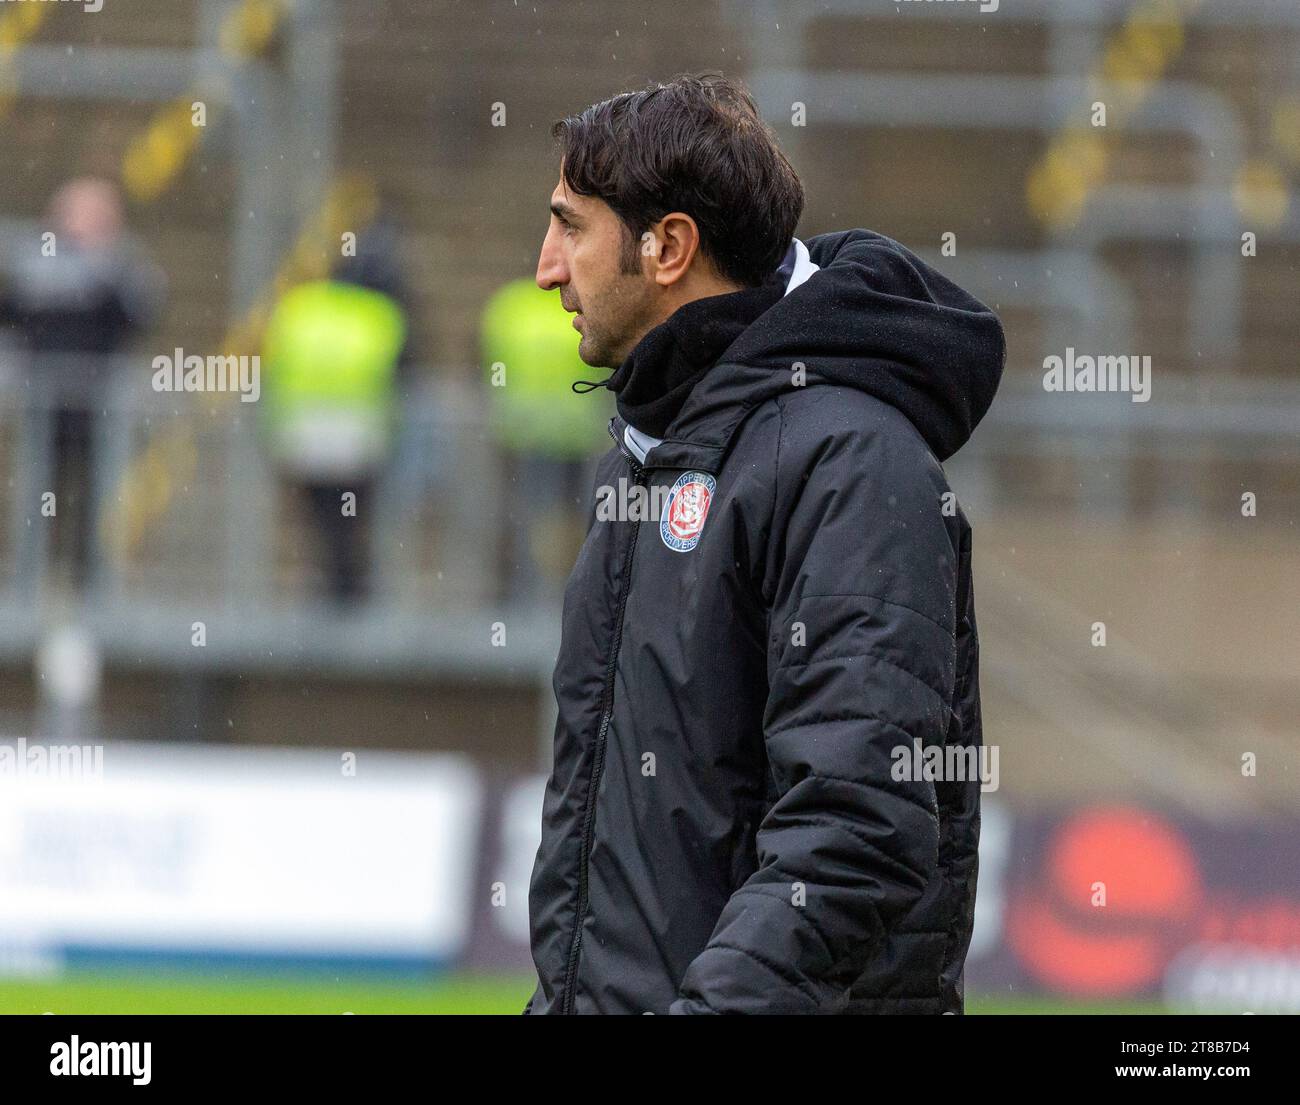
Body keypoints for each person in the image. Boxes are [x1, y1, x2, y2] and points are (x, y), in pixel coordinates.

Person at [524, 73, 1005, 1014]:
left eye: (570, 227)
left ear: (668, 248)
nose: (545, 267)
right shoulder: (650, 447)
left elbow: (853, 830)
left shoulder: (854, 461)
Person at [0, 177, 163, 587]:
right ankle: (30, 580)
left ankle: (89, 585)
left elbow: (137, 318)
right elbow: (17, 320)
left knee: (95, 502)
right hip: (42, 409)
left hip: (97, 410)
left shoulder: (121, 268)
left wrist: (99, 262)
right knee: (36, 495)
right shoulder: (34, 265)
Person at [259, 217, 411, 605]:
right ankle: (348, 592)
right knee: (351, 521)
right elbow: (401, 374)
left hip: (302, 436)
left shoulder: (298, 308)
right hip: (357, 439)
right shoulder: (379, 315)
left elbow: (275, 369)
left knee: (323, 521)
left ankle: (331, 591)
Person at [480, 278, 610, 604]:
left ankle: (516, 593)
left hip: (522, 435)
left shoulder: (511, 307)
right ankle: (557, 593)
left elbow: (488, 364)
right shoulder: (583, 310)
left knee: (520, 516)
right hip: (571, 436)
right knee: (566, 521)